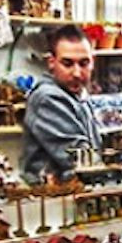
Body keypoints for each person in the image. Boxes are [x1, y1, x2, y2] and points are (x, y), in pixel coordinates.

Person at [21, 25, 102, 184]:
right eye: (67, 63)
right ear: (51, 62)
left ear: (93, 62)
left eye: (84, 63)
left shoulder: (76, 96)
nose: (77, 73)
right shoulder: (48, 98)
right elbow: (81, 160)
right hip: (52, 200)